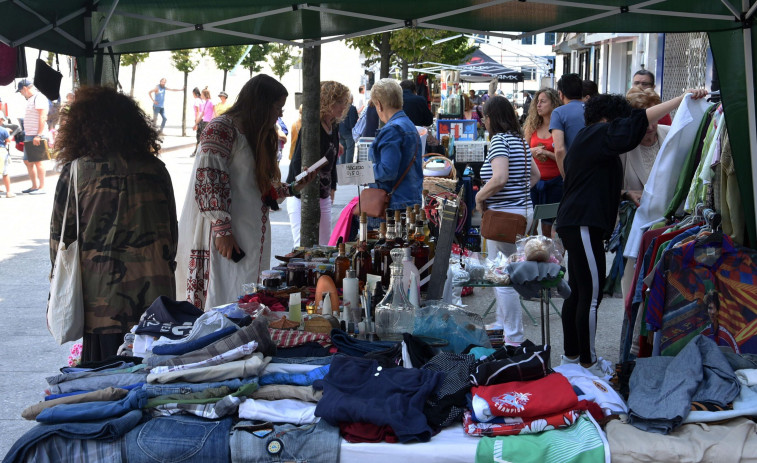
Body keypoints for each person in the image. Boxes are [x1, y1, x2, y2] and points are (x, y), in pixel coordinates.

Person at [555, 88, 708, 377]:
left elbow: (597, 182)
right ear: (607, 119)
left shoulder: (590, 142)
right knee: (591, 294)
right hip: (582, 223)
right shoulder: (596, 134)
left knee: (578, 293)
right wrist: (682, 99)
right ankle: (587, 363)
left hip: (579, 223)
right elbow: (634, 123)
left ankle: (571, 358)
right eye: (619, 121)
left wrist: (626, 195)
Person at [50, 86, 178, 362]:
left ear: (83, 127)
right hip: (155, 300)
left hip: (100, 303)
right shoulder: (156, 170)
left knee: (104, 382)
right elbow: (172, 234)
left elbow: (60, 241)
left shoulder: (76, 172)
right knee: (150, 376)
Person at [176, 74, 316, 310]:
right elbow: (209, 178)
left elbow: (258, 186)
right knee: (222, 296)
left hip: (248, 234)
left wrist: (293, 188)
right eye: (277, 107)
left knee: (243, 294)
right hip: (227, 235)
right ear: (261, 104)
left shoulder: (255, 132)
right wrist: (222, 230)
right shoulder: (221, 128)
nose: (280, 114)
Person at [475, 95, 541, 345]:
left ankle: (513, 335)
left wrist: (481, 197)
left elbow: (499, 177)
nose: (483, 121)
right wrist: (519, 194)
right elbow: (534, 175)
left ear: (491, 118)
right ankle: (503, 323)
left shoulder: (500, 141)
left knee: (501, 274)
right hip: (521, 212)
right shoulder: (519, 141)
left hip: (503, 215)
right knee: (505, 268)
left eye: (484, 117)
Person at [617, 86, 671, 299]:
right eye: (644, 119)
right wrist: (627, 193)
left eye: (654, 117)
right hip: (636, 225)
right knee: (633, 279)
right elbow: (612, 185)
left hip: (668, 221)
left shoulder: (670, 135)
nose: (649, 126)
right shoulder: (623, 146)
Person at [286, 81, 349, 247]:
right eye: (341, 102)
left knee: (323, 247)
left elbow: (333, 159)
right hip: (303, 196)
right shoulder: (312, 126)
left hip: (323, 194)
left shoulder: (333, 125)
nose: (344, 106)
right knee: (304, 248)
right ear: (329, 101)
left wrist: (332, 186)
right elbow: (297, 164)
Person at [369, 78, 423, 214]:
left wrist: (364, 171)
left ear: (379, 105)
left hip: (393, 205)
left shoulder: (392, 130)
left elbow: (387, 170)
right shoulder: (408, 124)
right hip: (408, 200)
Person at [523, 88, 563, 236]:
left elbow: (564, 155)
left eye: (543, 101)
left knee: (548, 226)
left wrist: (547, 153)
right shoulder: (531, 127)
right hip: (533, 183)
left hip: (555, 183)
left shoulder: (559, 127)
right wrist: (532, 151)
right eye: (537, 102)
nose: (538, 105)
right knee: (530, 225)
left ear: (553, 104)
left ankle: (548, 257)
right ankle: (531, 254)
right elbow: (523, 152)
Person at [17, 79, 48, 194]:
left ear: (25, 88)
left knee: (38, 161)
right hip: (29, 134)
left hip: (36, 135)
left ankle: (41, 187)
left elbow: (43, 116)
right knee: (27, 161)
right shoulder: (31, 99)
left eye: (20, 91)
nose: (21, 94)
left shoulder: (38, 97)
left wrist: (38, 135)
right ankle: (34, 186)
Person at [550, 73, 585, 177]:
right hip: (596, 170)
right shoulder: (594, 109)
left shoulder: (559, 113)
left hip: (574, 171)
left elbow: (559, 149)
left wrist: (566, 177)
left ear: (560, 94)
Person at [338, 98, 358, 164]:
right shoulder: (352, 108)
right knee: (350, 151)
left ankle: (342, 169)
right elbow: (352, 122)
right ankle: (348, 168)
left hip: (341, 132)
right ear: (351, 99)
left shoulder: (341, 107)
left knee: (342, 153)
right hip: (349, 133)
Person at [0, 111, 12, 198]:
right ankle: (8, 192)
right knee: (5, 172)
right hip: (2, 151)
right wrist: (9, 133)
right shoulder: (3, 130)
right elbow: (8, 140)